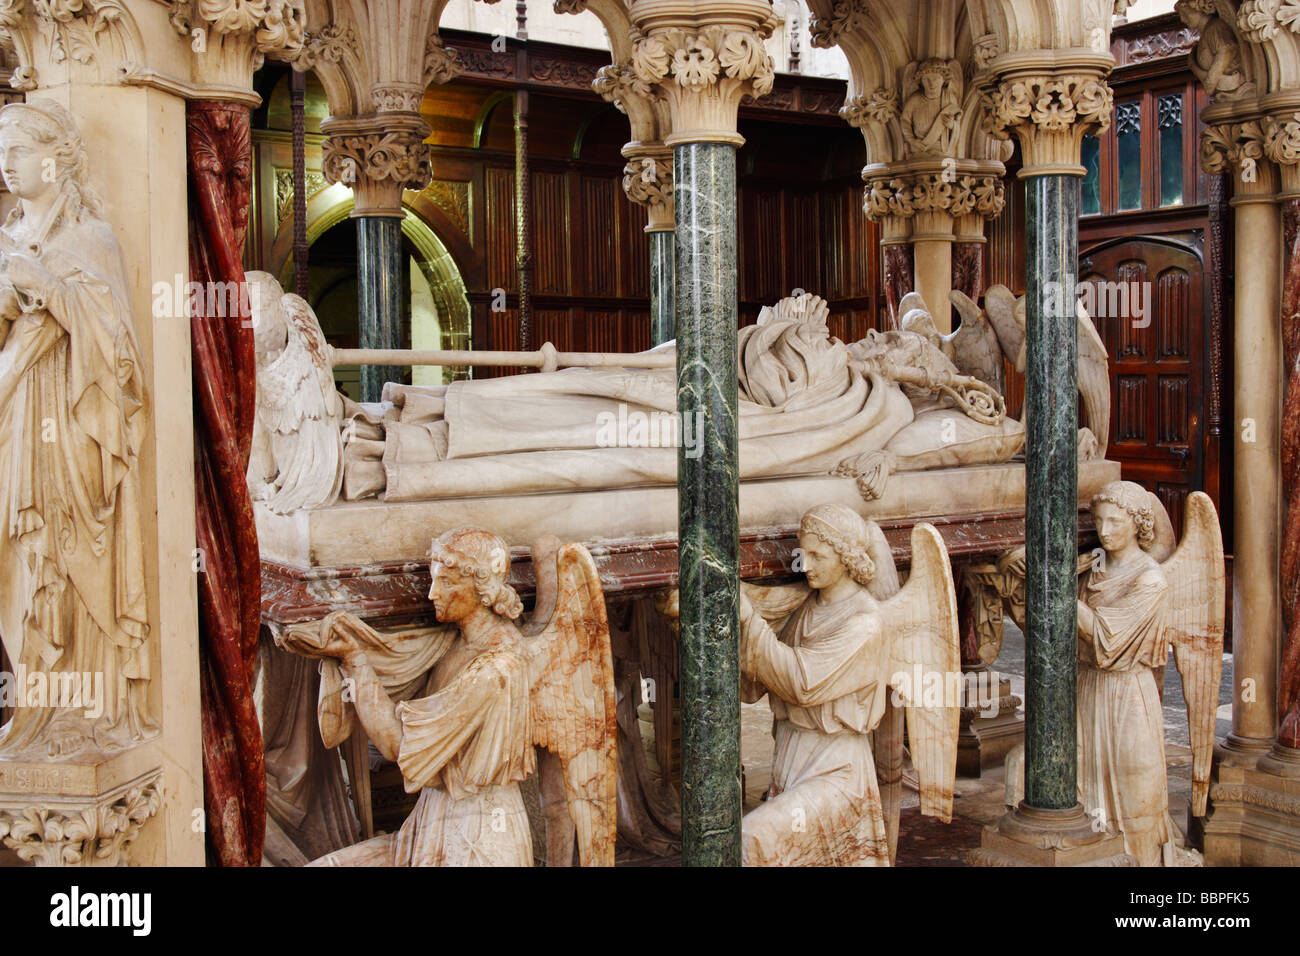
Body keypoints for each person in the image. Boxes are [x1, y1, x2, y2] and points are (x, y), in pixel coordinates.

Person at [0, 100, 151, 757]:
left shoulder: (90, 239)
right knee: (24, 556)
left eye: (17, 151)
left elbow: (123, 354)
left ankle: (85, 712)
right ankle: (34, 707)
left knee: (69, 555)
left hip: (74, 424)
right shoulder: (7, 239)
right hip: (18, 418)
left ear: (55, 159)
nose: (5, 165)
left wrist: (54, 292)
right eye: (1, 153)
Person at [1076, 480, 1177, 866]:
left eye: (1116, 522)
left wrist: (1054, 589)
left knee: (1136, 784)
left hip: (1128, 693)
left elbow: (1107, 638)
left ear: (1137, 524)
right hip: (1088, 687)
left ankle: (1142, 860)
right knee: (1088, 781)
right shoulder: (1093, 567)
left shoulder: (1150, 579)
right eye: (1099, 521)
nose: (1105, 531)